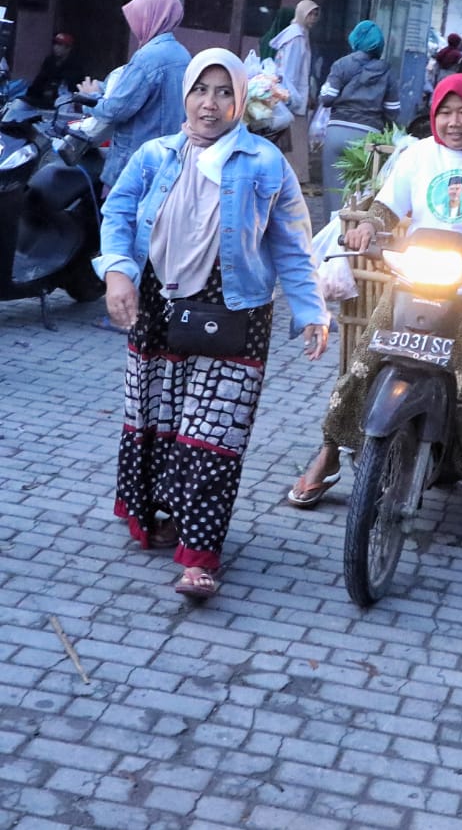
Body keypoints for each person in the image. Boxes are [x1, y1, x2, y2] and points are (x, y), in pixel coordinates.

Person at [285, 74, 462, 558]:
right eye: (445, 112)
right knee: (363, 368)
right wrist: (368, 227)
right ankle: (327, 458)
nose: (454, 123)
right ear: (433, 114)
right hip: (417, 282)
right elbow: (386, 207)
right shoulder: (417, 154)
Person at [95, 48, 330, 600]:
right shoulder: (155, 155)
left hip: (236, 311)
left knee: (213, 435)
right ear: (186, 94)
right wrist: (117, 273)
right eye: (202, 89)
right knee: (158, 417)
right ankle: (157, 513)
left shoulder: (265, 163)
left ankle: (200, 556)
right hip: (155, 303)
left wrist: (311, 308)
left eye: (225, 92)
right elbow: (118, 215)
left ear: (242, 101)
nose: (211, 103)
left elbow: (293, 245)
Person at [76, 0, 190, 191]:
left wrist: (92, 96)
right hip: (169, 159)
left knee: (119, 219)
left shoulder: (147, 58)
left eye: (137, 19)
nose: (134, 26)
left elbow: (116, 110)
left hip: (135, 163)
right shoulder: (183, 55)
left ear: (151, 18)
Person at [318, 20, 401, 217]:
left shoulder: (341, 64)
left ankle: (331, 233)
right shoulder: (386, 71)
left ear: (355, 39)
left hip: (336, 133)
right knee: (360, 193)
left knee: (333, 191)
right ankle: (353, 234)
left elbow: (327, 98)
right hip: (367, 139)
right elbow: (393, 110)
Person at [270, 0, 320, 182]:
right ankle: (294, 177)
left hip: (294, 94)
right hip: (291, 95)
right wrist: (290, 97)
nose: (313, 18)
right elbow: (289, 71)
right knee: (294, 138)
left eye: (315, 14)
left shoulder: (300, 33)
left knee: (295, 136)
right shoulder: (296, 37)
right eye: (310, 14)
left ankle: (295, 177)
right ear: (301, 14)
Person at [26, 33, 84, 109]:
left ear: (68, 48)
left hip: (64, 100)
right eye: (55, 44)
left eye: (60, 45)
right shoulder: (49, 61)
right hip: (43, 99)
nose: (56, 47)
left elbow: (71, 86)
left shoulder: (75, 64)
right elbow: (39, 80)